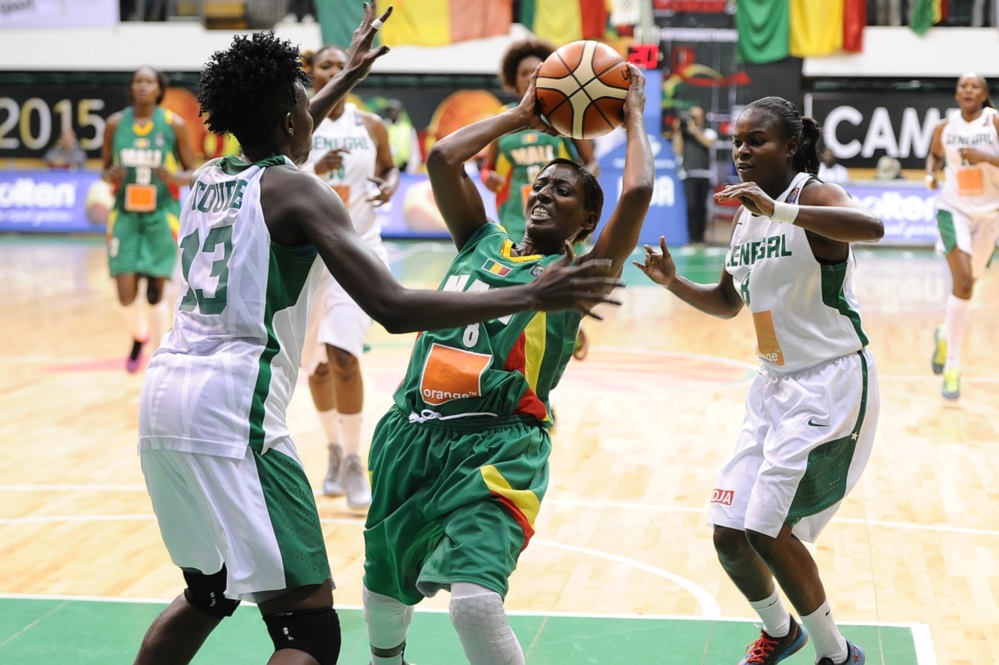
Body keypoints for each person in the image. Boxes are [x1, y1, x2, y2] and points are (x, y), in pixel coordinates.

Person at [133, 7, 620, 664]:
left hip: (161, 400)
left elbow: (274, 135)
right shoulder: (299, 192)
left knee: (207, 591)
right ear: (290, 120)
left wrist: (344, 81)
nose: (316, 112)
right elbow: (390, 306)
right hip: (230, 407)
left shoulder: (206, 178)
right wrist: (532, 292)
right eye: (305, 104)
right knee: (307, 629)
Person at [360, 64, 652, 665]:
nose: (544, 193)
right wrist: (522, 114)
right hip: (410, 434)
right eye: (540, 186)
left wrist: (634, 119)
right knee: (382, 587)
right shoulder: (480, 239)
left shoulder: (580, 275)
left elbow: (639, 193)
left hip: (498, 448)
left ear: (587, 221)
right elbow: (443, 158)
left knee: (473, 604)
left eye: (563, 191)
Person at [635, 96, 883, 665]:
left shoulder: (810, 196)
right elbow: (727, 302)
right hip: (772, 384)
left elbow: (871, 226)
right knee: (729, 531)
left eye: (757, 141)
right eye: (737, 142)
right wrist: (673, 284)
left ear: (791, 145)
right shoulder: (747, 215)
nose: (742, 151)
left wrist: (781, 211)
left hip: (830, 380)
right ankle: (780, 631)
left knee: (768, 529)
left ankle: (837, 654)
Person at [299, 43, 401, 509]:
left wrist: (388, 185)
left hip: (357, 250)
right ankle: (334, 449)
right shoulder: (297, 120)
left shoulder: (370, 124)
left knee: (343, 355)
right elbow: (273, 174)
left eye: (342, 65)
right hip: (306, 256)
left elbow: (389, 167)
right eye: (327, 65)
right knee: (316, 367)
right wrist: (312, 170)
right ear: (311, 72)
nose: (336, 71)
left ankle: (357, 458)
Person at [481, 37, 600, 360]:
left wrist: (585, 185)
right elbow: (487, 169)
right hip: (516, 218)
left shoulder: (564, 117)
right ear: (514, 78)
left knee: (558, 286)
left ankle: (565, 328)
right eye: (524, 73)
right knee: (521, 293)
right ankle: (525, 361)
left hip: (560, 218)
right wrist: (489, 178)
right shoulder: (505, 120)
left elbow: (591, 162)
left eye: (538, 70)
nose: (530, 76)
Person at [102, 65, 197, 373]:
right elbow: (104, 170)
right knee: (125, 293)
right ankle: (139, 334)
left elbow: (192, 173)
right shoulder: (115, 125)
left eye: (149, 82)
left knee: (155, 292)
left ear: (160, 88)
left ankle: (160, 356)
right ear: (131, 88)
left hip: (162, 213)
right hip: (125, 216)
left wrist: (175, 177)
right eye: (137, 81)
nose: (143, 86)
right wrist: (110, 174)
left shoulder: (174, 124)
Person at [925, 73, 999, 400]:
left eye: (974, 86)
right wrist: (930, 173)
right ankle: (953, 365)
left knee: (972, 282)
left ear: (983, 95)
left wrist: (985, 157)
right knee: (964, 283)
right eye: (962, 86)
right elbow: (935, 156)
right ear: (957, 94)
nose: (967, 90)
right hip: (953, 209)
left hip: (990, 214)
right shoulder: (944, 127)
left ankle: (945, 332)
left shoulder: (993, 122)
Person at [672, 105, 718, 244]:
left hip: (705, 174)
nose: (694, 119)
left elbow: (708, 143)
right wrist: (678, 131)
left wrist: (693, 129)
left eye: (697, 116)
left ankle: (701, 238)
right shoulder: (684, 135)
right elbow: (677, 150)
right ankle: (692, 238)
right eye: (692, 116)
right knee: (691, 207)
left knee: (703, 207)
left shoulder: (708, 132)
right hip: (688, 174)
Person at [382, 99, 422, 173]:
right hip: (386, 166)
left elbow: (414, 149)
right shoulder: (382, 127)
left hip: (404, 167)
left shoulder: (407, 128)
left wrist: (411, 169)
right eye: (391, 110)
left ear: (400, 112)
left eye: (396, 110)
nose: (393, 113)